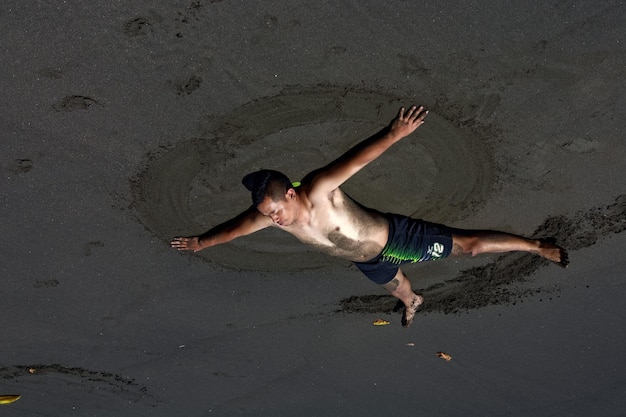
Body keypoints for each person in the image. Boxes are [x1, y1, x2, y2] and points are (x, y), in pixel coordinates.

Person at [171, 105, 568, 327]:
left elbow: (357, 160)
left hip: (398, 240)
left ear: (289, 193)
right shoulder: (269, 216)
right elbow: (235, 230)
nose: (273, 220)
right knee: (399, 290)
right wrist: (201, 242)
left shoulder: (321, 189)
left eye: (275, 211)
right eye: (266, 214)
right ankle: (414, 303)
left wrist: (395, 133)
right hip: (368, 262)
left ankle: (535, 247)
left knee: (473, 248)